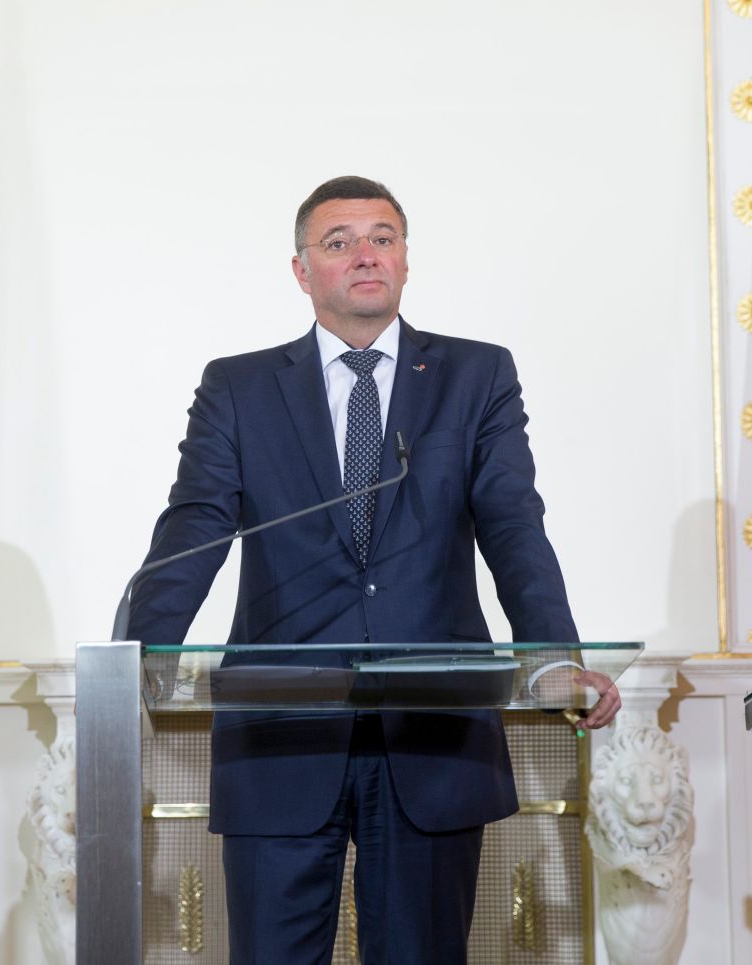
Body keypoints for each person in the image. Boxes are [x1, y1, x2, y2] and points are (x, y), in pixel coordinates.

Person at [126, 176, 622, 964]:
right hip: (280, 736)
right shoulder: (240, 387)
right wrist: (136, 657)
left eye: (383, 237)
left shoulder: (475, 375)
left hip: (431, 736)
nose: (366, 254)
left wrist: (553, 655)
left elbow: (513, 524)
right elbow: (194, 526)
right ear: (301, 271)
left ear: (405, 261)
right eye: (340, 240)